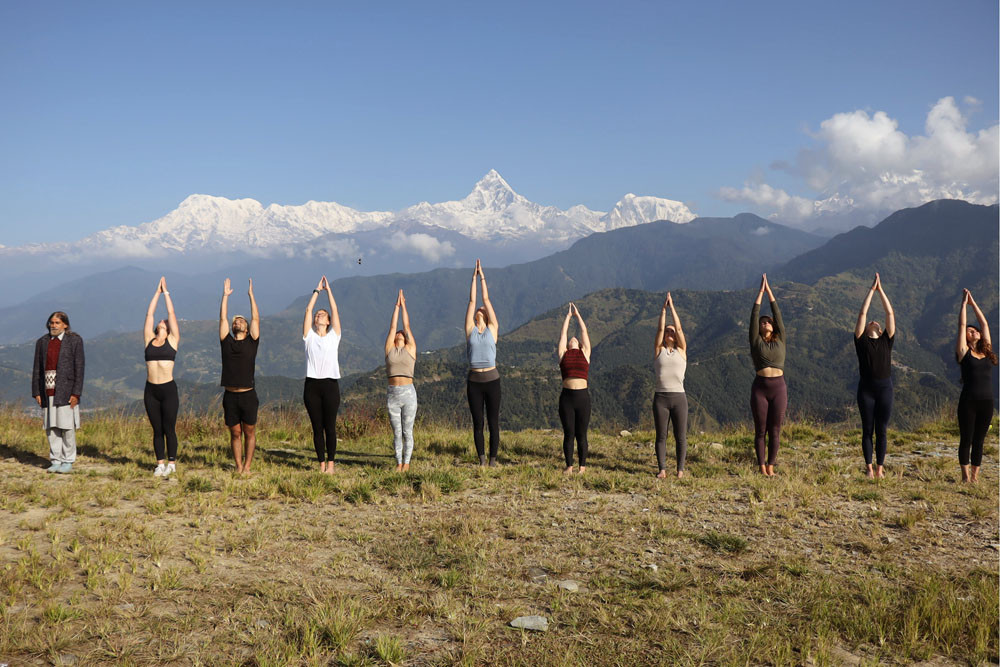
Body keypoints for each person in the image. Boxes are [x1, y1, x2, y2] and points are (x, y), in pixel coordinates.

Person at [31, 311, 84, 473]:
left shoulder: (74, 340)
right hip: (47, 389)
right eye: (51, 323)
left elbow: (79, 368)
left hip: (66, 390)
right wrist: (37, 392)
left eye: (57, 323)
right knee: (51, 426)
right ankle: (56, 460)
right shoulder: (42, 342)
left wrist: (76, 393)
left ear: (65, 325)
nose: (53, 326)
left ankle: (68, 460)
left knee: (67, 427)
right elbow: (37, 368)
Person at [854, 273, 895, 479]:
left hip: (885, 388)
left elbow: (889, 313)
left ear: (880, 329)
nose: (872, 321)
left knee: (882, 429)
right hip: (866, 390)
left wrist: (881, 291)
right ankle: (869, 469)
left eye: (876, 323)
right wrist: (871, 291)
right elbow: (862, 314)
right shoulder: (861, 342)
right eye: (871, 322)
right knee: (867, 429)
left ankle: (880, 469)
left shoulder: (887, 340)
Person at [955, 289, 996, 484]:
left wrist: (974, 303)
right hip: (968, 402)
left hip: (987, 402)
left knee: (979, 441)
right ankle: (964, 476)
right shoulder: (964, 353)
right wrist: (964, 304)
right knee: (967, 439)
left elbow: (985, 324)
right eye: (970, 331)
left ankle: (975, 477)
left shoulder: (986, 351)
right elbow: (962, 324)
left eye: (976, 330)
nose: (974, 331)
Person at [220, 278, 260, 475]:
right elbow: (222, 319)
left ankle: (248, 467)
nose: (239, 321)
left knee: (249, 432)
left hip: (248, 395)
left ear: (246, 327)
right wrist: (225, 297)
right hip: (230, 395)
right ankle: (238, 466)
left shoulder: (252, 343)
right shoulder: (226, 342)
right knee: (235, 433)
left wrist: (251, 296)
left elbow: (256, 319)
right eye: (236, 320)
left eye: (242, 320)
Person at [302, 276, 342, 473]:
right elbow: (308, 310)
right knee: (317, 427)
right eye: (318, 315)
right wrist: (316, 291)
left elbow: (335, 311)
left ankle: (332, 464)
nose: (318, 315)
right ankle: (321, 464)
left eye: (322, 315)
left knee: (330, 427)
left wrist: (330, 292)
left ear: (328, 321)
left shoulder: (334, 337)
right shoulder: (308, 337)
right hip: (312, 386)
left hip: (330, 385)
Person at [749, 274, 786, 476]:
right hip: (760, 388)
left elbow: (777, 314)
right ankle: (761, 466)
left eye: (768, 322)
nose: (765, 323)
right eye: (763, 323)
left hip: (779, 387)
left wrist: (769, 291)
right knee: (761, 429)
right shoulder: (756, 342)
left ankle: (771, 465)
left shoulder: (781, 340)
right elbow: (754, 316)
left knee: (775, 430)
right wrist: (760, 292)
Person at [144, 277, 181, 477]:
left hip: (168, 389)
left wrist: (166, 293)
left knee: (169, 427)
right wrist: (156, 293)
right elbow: (149, 313)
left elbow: (171, 313)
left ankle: (172, 463)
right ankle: (160, 463)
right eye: (161, 322)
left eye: (164, 322)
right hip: (151, 389)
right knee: (157, 429)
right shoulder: (149, 339)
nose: (161, 321)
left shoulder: (173, 341)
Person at [465, 259, 501, 466]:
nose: (479, 308)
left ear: (486, 316)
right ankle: (481, 460)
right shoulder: (470, 330)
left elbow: (485, 299)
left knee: (493, 423)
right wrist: (473, 277)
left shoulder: (493, 329)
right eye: (477, 309)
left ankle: (493, 460)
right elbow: (472, 301)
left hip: (492, 380)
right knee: (478, 423)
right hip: (474, 381)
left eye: (482, 309)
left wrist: (483, 276)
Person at [652, 292, 688, 479]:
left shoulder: (682, 351)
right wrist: (663, 310)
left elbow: (680, 329)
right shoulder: (659, 350)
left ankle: (680, 470)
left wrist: (672, 307)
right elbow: (659, 330)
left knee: (680, 436)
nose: (670, 333)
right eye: (668, 331)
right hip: (661, 398)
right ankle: (662, 469)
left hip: (679, 398)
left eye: (672, 331)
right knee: (661, 436)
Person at [385, 289, 417, 472]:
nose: (399, 334)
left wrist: (403, 305)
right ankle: (398, 462)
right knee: (397, 431)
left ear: (404, 338)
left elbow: (406, 326)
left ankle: (407, 463)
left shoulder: (410, 349)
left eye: (401, 334)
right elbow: (392, 328)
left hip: (408, 393)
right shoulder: (389, 349)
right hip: (393, 394)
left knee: (407, 431)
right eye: (397, 334)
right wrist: (395, 307)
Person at [557, 303, 592, 474]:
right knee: (569, 433)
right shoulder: (563, 354)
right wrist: (568, 317)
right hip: (567, 398)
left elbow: (584, 333)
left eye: (575, 338)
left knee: (582, 434)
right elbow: (563, 334)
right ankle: (569, 466)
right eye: (572, 339)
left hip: (582, 398)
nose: (574, 337)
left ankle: (582, 467)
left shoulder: (585, 353)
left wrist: (578, 317)